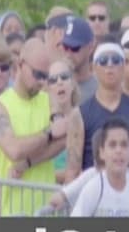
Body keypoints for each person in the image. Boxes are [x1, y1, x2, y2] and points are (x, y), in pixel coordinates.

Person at [0, 39, 66, 216]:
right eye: (37, 74)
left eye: (45, 76)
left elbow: (63, 139)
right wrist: (48, 133)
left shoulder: (49, 101)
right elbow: (14, 150)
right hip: (15, 212)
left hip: (47, 210)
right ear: (20, 64)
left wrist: (29, 163)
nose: (42, 82)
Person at [79, 41, 129, 169]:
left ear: (123, 67)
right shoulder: (80, 114)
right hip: (93, 180)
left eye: (115, 60)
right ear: (93, 68)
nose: (110, 65)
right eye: (103, 61)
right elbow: (73, 169)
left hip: (128, 179)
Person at [70, 118, 129, 217]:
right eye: (112, 145)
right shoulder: (93, 189)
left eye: (124, 145)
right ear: (102, 152)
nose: (118, 150)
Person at [45, 55, 85, 183]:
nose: (59, 82)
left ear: (73, 83)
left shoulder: (84, 118)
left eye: (64, 77)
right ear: (47, 88)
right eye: (53, 80)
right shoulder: (41, 120)